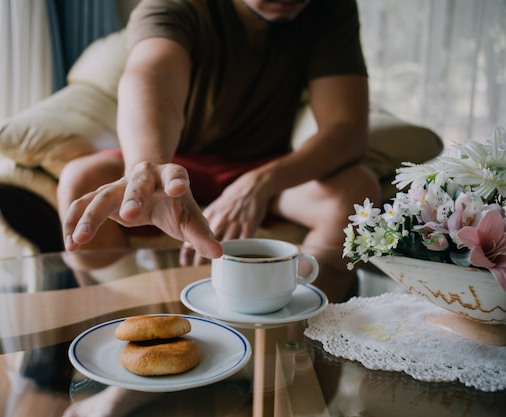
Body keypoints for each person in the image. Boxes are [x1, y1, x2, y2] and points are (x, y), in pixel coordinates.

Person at [58, 0, 380, 305]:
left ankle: (294, 331)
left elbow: (346, 128)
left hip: (266, 164)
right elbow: (152, 73)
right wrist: (149, 167)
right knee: (79, 181)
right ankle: (135, 322)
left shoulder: (329, 8)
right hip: (179, 164)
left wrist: (260, 183)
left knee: (356, 191)